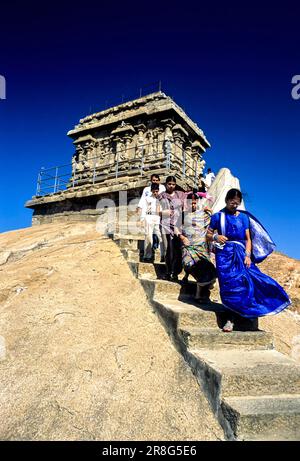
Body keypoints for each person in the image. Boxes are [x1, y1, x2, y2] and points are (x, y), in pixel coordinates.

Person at [206, 188, 291, 332]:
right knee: (228, 287)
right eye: (232, 202)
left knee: (247, 282)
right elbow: (207, 235)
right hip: (224, 256)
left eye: (237, 203)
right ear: (226, 200)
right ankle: (230, 318)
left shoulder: (243, 218)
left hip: (241, 254)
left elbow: (248, 239)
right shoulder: (217, 217)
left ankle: (239, 316)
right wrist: (215, 237)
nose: (234, 206)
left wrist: (247, 255)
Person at [180, 193, 217, 303]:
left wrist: (210, 211)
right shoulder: (182, 215)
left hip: (201, 248)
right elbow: (176, 229)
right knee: (189, 264)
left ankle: (198, 295)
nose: (193, 204)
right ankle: (188, 275)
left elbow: (216, 222)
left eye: (195, 202)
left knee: (207, 268)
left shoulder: (203, 215)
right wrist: (182, 237)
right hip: (188, 247)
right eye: (191, 202)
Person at [158, 176, 186, 282]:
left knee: (177, 250)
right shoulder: (161, 196)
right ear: (166, 184)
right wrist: (163, 212)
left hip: (178, 225)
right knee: (168, 249)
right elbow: (155, 210)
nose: (171, 186)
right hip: (165, 225)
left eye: (173, 184)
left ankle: (175, 272)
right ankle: (168, 271)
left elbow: (186, 207)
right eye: (169, 184)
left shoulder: (180, 195)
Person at [139, 183, 162, 261]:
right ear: (151, 191)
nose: (155, 193)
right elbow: (144, 209)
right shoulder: (147, 198)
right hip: (149, 217)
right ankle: (147, 255)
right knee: (148, 237)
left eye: (157, 191)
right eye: (154, 191)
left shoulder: (161, 199)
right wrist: (142, 219)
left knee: (160, 236)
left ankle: (163, 254)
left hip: (158, 217)